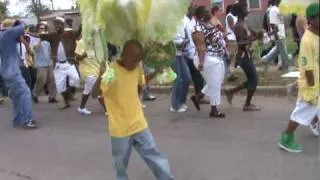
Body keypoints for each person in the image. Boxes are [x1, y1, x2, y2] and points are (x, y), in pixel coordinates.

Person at [98, 40, 174, 180]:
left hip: (139, 124)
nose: (136, 64)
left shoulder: (137, 67)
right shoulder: (112, 71)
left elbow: (141, 82)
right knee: (120, 166)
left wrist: (156, 72)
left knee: (154, 155)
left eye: (139, 60)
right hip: (120, 129)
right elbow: (95, 93)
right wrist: (100, 75)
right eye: (134, 60)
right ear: (124, 55)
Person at [278, 3, 319, 153]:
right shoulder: (307, 40)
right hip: (311, 85)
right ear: (312, 20)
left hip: (317, 83)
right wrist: (312, 88)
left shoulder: (317, 35)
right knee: (301, 114)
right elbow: (307, 67)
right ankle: (286, 138)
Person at [29, 17, 81, 109]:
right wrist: (27, 33)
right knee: (60, 85)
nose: (57, 26)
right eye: (55, 25)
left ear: (62, 25)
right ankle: (65, 102)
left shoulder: (69, 33)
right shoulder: (52, 36)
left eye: (59, 24)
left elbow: (78, 33)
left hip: (69, 63)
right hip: (58, 65)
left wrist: (82, 26)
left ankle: (69, 95)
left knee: (75, 79)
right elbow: (38, 36)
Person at [224, 4, 262, 111]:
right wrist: (254, 39)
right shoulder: (239, 26)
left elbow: (250, 37)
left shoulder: (244, 24)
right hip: (243, 57)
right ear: (240, 12)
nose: (247, 10)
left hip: (246, 55)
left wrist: (257, 35)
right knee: (254, 79)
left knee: (251, 79)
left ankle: (231, 92)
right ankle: (247, 104)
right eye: (245, 9)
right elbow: (242, 43)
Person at [0, 19, 37, 129]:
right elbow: (23, 26)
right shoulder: (8, 34)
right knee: (26, 93)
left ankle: (18, 120)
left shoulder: (3, 36)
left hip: (7, 71)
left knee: (17, 96)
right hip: (12, 71)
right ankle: (27, 120)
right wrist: (17, 21)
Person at [191, 6, 226, 118]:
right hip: (207, 59)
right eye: (206, 12)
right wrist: (201, 63)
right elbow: (200, 46)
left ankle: (198, 97)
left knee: (217, 81)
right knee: (215, 84)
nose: (209, 13)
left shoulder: (210, 23)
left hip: (216, 57)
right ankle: (214, 110)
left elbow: (217, 34)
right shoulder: (197, 29)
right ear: (200, 17)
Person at [75, 34, 106, 115]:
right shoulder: (82, 42)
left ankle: (81, 108)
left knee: (87, 90)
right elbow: (76, 57)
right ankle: (107, 110)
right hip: (87, 71)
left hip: (96, 69)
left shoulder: (98, 43)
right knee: (98, 90)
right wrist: (84, 54)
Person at [184, 5, 206, 102]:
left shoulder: (192, 22)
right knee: (196, 77)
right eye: (191, 8)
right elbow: (189, 39)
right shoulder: (187, 23)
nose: (193, 9)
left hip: (193, 52)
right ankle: (197, 97)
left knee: (198, 76)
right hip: (190, 53)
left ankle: (198, 96)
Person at [170, 16, 192, 113]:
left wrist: (185, 42)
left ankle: (181, 102)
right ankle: (175, 105)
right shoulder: (169, 19)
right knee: (177, 79)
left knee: (187, 78)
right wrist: (178, 43)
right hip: (171, 53)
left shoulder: (185, 19)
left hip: (180, 53)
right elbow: (165, 39)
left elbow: (187, 35)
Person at [261, 0, 290, 70]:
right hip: (278, 34)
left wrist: (283, 31)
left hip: (280, 33)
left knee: (277, 50)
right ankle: (286, 65)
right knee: (283, 51)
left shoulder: (277, 9)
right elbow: (272, 23)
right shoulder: (274, 10)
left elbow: (279, 22)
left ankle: (265, 60)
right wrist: (276, 34)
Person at [32, 23, 58, 104]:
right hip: (40, 63)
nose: (42, 30)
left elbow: (51, 50)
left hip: (49, 62)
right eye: (40, 28)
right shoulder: (34, 38)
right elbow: (35, 49)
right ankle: (34, 94)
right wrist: (40, 39)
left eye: (43, 29)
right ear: (37, 29)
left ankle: (52, 97)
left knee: (52, 80)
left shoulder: (47, 39)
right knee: (42, 79)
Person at [225, 4, 238, 81]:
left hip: (233, 39)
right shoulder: (229, 16)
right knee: (230, 57)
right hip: (231, 39)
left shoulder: (233, 16)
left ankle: (231, 73)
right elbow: (232, 27)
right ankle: (228, 73)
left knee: (233, 57)